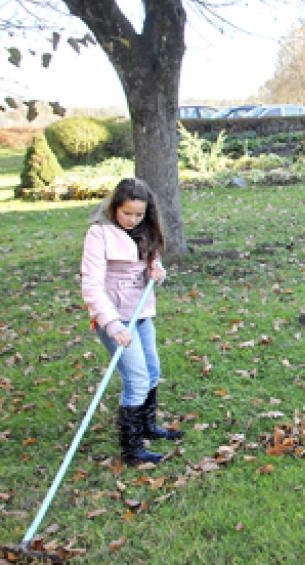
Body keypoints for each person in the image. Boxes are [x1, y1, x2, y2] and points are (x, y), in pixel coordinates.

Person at [81, 178, 179, 467]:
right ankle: (132, 449)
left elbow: (150, 260)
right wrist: (112, 325)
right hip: (114, 317)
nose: (133, 220)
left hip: (141, 312)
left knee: (152, 370)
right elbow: (92, 287)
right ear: (114, 208)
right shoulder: (99, 234)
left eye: (139, 215)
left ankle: (147, 427)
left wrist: (156, 270)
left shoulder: (144, 229)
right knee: (136, 379)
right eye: (127, 214)